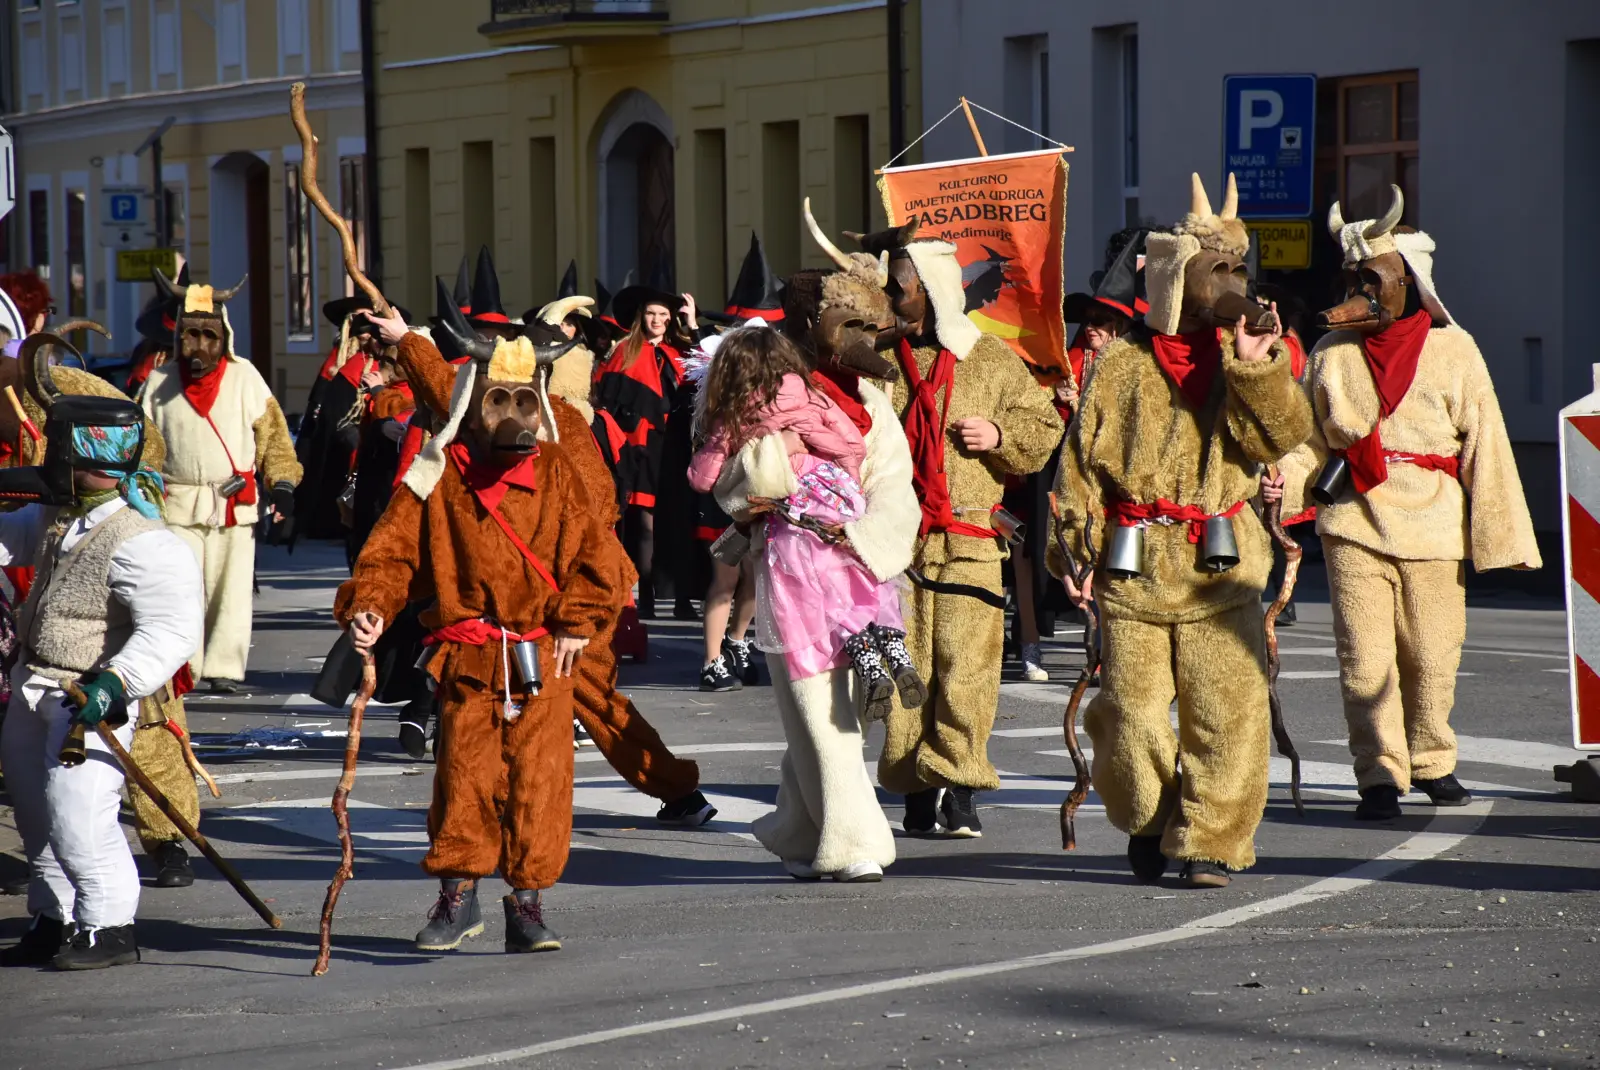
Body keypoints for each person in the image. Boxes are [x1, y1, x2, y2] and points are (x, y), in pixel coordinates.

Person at [340, 295, 627, 955]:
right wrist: (370, 605)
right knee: (463, 777)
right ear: (473, 402)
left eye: (524, 401)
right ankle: (457, 897)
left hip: (543, 654)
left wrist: (581, 620)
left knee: (541, 782)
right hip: (468, 658)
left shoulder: (556, 469)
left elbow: (601, 558)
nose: (513, 416)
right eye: (498, 400)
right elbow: (390, 550)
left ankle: (527, 907)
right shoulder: (436, 469)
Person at [1051, 173, 1311, 889]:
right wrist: (1073, 556)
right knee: (1131, 717)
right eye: (1218, 270)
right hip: (1133, 572)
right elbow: (1077, 472)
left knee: (1228, 716)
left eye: (1238, 268)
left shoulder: (1248, 362)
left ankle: (1209, 842)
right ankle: (1150, 815)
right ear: (1176, 279)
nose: (1235, 283)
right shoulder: (1119, 367)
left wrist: (1260, 371)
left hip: (1222, 571)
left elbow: (1280, 438)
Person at [1275, 185, 1539, 820]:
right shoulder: (1328, 353)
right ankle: (1378, 774)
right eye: (1352, 279)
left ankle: (1433, 760)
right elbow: (1307, 441)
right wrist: (1280, 488)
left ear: (1408, 280)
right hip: (1354, 520)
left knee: (1432, 652)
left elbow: (1488, 443)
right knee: (1365, 659)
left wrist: (1500, 537)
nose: (1359, 293)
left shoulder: (1456, 349)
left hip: (1436, 522)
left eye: (1373, 279)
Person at [711, 205, 919, 881]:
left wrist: (859, 531)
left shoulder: (873, 405)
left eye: (869, 324)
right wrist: (757, 497)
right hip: (791, 568)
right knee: (815, 703)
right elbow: (724, 472)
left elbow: (894, 480)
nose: (863, 338)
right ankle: (855, 842)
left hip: (858, 569)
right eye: (848, 324)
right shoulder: (762, 388)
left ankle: (799, 829)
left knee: (845, 706)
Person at [856, 220, 1064, 838]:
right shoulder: (877, 360)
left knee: (967, 666)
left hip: (970, 537)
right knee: (905, 669)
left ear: (933, 290)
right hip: (898, 542)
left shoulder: (990, 357)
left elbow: (1044, 430)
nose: (891, 300)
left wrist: (1000, 438)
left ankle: (961, 780)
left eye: (899, 288)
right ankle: (914, 787)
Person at [0, 394, 203, 969]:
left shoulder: (143, 540)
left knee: (78, 817)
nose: (47, 458)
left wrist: (117, 685)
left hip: (87, 698)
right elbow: (6, 537)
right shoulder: (56, 516)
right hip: (34, 683)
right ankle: (53, 916)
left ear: (85, 455)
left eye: (56, 448)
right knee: (36, 818)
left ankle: (108, 925)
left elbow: (171, 629)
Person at [689, 326, 926, 718]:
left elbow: (701, 479)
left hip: (792, 512)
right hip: (836, 496)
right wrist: (848, 483)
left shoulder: (730, 413)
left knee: (821, 592)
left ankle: (865, 661)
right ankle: (894, 651)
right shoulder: (810, 393)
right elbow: (852, 443)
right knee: (860, 578)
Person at [139, 271, 302, 692]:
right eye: (191, 335)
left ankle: (224, 667)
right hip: (177, 502)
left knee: (230, 591)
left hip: (234, 500)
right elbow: (142, 445)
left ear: (224, 336)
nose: (199, 347)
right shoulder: (158, 384)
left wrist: (282, 482)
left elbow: (274, 437)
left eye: (208, 336)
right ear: (178, 338)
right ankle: (184, 667)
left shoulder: (246, 378)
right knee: (182, 590)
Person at [592, 286, 695, 618]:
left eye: (664, 314)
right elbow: (606, 404)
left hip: (677, 448)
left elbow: (707, 374)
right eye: (652, 313)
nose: (658, 320)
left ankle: (682, 601)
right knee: (646, 525)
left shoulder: (681, 353)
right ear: (642, 316)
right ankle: (647, 598)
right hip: (640, 450)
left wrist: (692, 325)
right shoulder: (625, 353)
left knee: (678, 522)